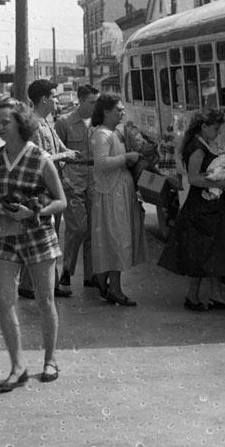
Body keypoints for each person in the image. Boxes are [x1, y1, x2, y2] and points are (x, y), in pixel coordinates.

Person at [0, 99, 66, 391]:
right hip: (4, 236)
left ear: (19, 122)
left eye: (4, 122)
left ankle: (50, 360)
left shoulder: (40, 158)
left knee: (44, 299)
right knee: (3, 301)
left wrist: (34, 211)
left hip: (38, 236)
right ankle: (17, 365)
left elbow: (62, 200)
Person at [158, 108, 225, 312]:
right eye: (215, 128)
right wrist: (221, 183)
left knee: (215, 250)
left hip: (209, 205)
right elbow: (194, 178)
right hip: (203, 205)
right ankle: (194, 296)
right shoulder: (197, 148)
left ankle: (213, 296)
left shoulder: (202, 143)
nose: (218, 133)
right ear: (204, 127)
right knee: (204, 251)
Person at [18, 79, 80, 299]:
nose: (56, 101)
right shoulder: (33, 125)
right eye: (54, 97)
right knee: (41, 238)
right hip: (40, 190)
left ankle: (49, 285)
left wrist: (69, 152)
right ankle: (29, 286)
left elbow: (58, 147)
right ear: (44, 99)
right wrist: (65, 155)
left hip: (52, 188)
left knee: (49, 239)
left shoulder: (45, 122)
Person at [89, 94, 146, 306]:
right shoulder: (101, 134)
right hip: (111, 193)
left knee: (119, 238)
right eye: (118, 110)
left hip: (121, 191)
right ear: (106, 111)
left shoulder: (116, 133)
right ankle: (114, 288)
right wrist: (126, 158)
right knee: (115, 238)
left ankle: (109, 284)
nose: (122, 113)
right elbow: (101, 163)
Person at [54, 84, 99, 293]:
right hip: (73, 180)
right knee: (77, 228)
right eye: (91, 102)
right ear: (80, 101)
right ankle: (67, 270)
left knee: (92, 230)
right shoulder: (64, 122)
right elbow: (57, 154)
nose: (94, 106)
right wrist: (62, 180)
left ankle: (90, 275)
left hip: (94, 180)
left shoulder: (98, 123)